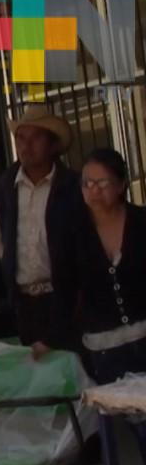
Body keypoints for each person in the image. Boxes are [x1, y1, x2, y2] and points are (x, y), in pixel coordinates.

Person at [0, 104, 83, 357]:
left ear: (52, 144)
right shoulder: (4, 188)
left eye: (36, 137)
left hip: (68, 299)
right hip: (25, 304)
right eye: (21, 138)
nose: (26, 146)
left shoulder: (72, 187)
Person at [52, 148, 146, 384]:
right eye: (87, 183)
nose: (94, 190)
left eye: (102, 183)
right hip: (103, 348)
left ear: (121, 184)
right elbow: (65, 287)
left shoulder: (141, 222)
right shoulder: (73, 232)